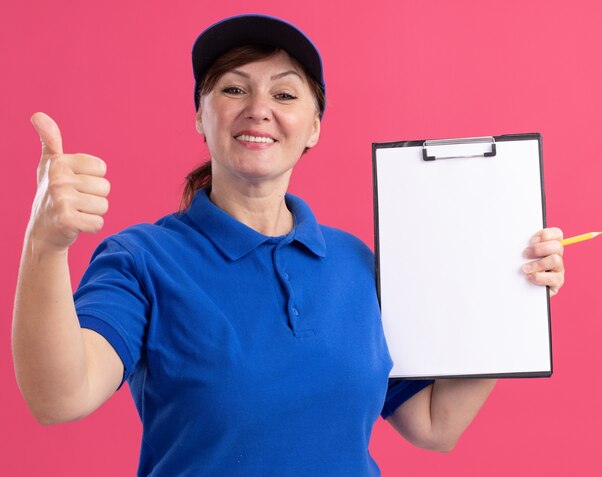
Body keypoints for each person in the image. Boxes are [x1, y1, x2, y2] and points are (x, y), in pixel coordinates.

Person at [12, 14, 565, 476]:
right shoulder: (140, 260)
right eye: (233, 88)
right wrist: (46, 245)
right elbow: (60, 396)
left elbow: (435, 424)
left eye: (283, 92)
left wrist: (509, 294)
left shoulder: (357, 264)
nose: (259, 107)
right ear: (200, 117)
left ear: (315, 126)